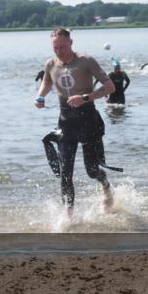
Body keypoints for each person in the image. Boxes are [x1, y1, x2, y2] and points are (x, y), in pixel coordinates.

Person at [35, 28, 115, 212]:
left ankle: (106, 186)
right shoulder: (50, 64)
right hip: (66, 122)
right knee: (65, 173)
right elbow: (47, 83)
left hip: (88, 120)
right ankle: (68, 216)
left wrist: (85, 97)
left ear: (71, 42)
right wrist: (40, 97)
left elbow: (110, 87)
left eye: (62, 46)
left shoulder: (86, 61)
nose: (59, 51)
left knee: (91, 170)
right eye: (55, 47)